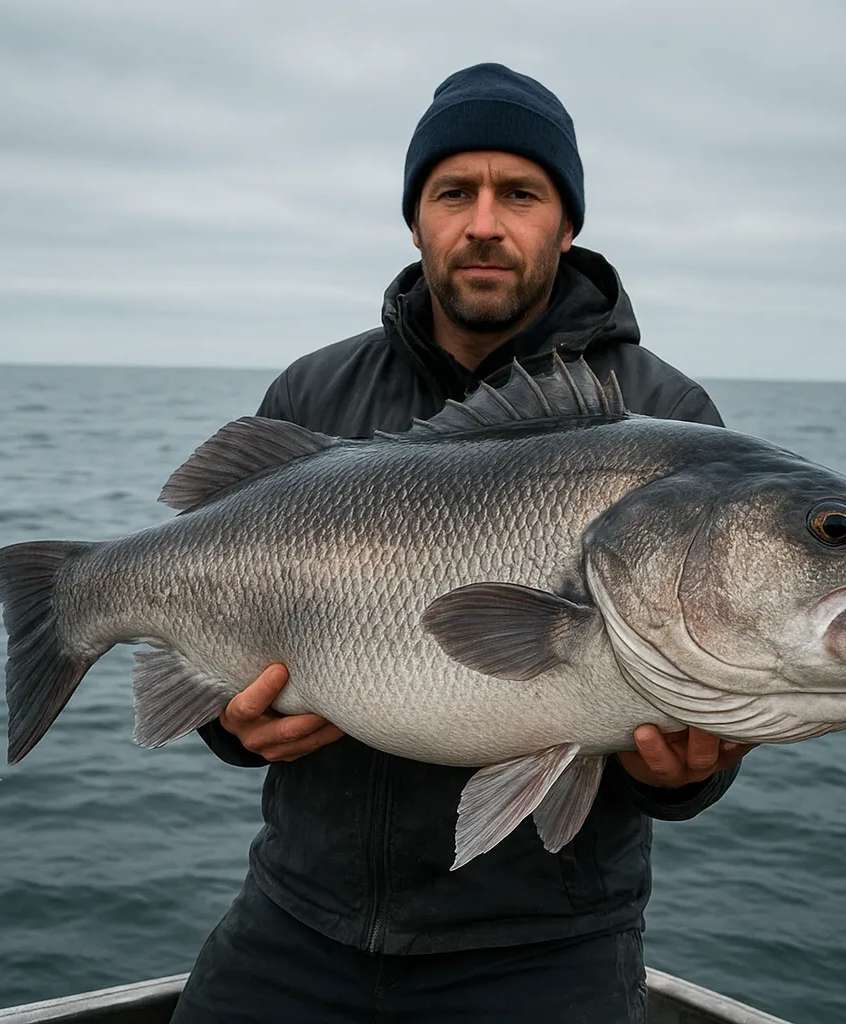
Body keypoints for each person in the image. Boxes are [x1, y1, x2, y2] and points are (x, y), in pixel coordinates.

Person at [171, 63, 754, 1024]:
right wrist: (227, 727)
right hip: (299, 916)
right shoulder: (311, 398)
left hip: (546, 948)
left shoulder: (663, 418)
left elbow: (697, 687)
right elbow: (225, 645)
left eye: (520, 193)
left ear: (565, 225)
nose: (484, 221)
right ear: (416, 220)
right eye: (454, 193)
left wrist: (694, 774)